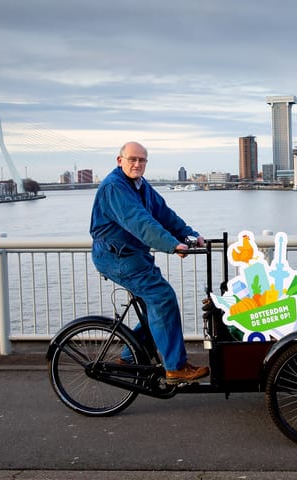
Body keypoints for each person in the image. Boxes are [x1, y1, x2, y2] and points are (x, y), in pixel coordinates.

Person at [89, 141, 209, 384]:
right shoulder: (115, 187)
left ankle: (130, 357)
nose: (137, 164)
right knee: (162, 297)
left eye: (141, 160)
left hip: (132, 255)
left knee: (155, 307)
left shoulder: (140, 186)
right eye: (132, 159)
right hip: (117, 256)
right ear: (119, 160)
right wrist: (171, 245)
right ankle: (175, 368)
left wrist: (190, 236)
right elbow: (140, 221)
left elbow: (164, 215)